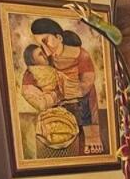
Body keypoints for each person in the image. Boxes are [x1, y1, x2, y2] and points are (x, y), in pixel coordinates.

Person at [26, 17, 104, 155]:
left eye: (46, 41)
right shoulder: (45, 58)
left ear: (59, 38)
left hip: (80, 98)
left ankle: (92, 137)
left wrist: (68, 89)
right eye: (41, 45)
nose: (46, 51)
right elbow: (32, 74)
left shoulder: (80, 54)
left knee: (87, 95)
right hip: (57, 101)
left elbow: (87, 81)